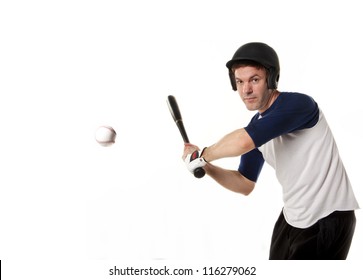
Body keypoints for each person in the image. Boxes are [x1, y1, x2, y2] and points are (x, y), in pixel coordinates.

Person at [182, 42, 359, 260]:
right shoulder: (257, 126)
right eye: (240, 82)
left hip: (327, 217)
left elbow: (242, 142)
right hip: (292, 218)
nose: (246, 90)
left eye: (254, 80)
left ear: (271, 79)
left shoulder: (299, 105)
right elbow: (244, 183)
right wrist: (205, 166)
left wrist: (203, 153)